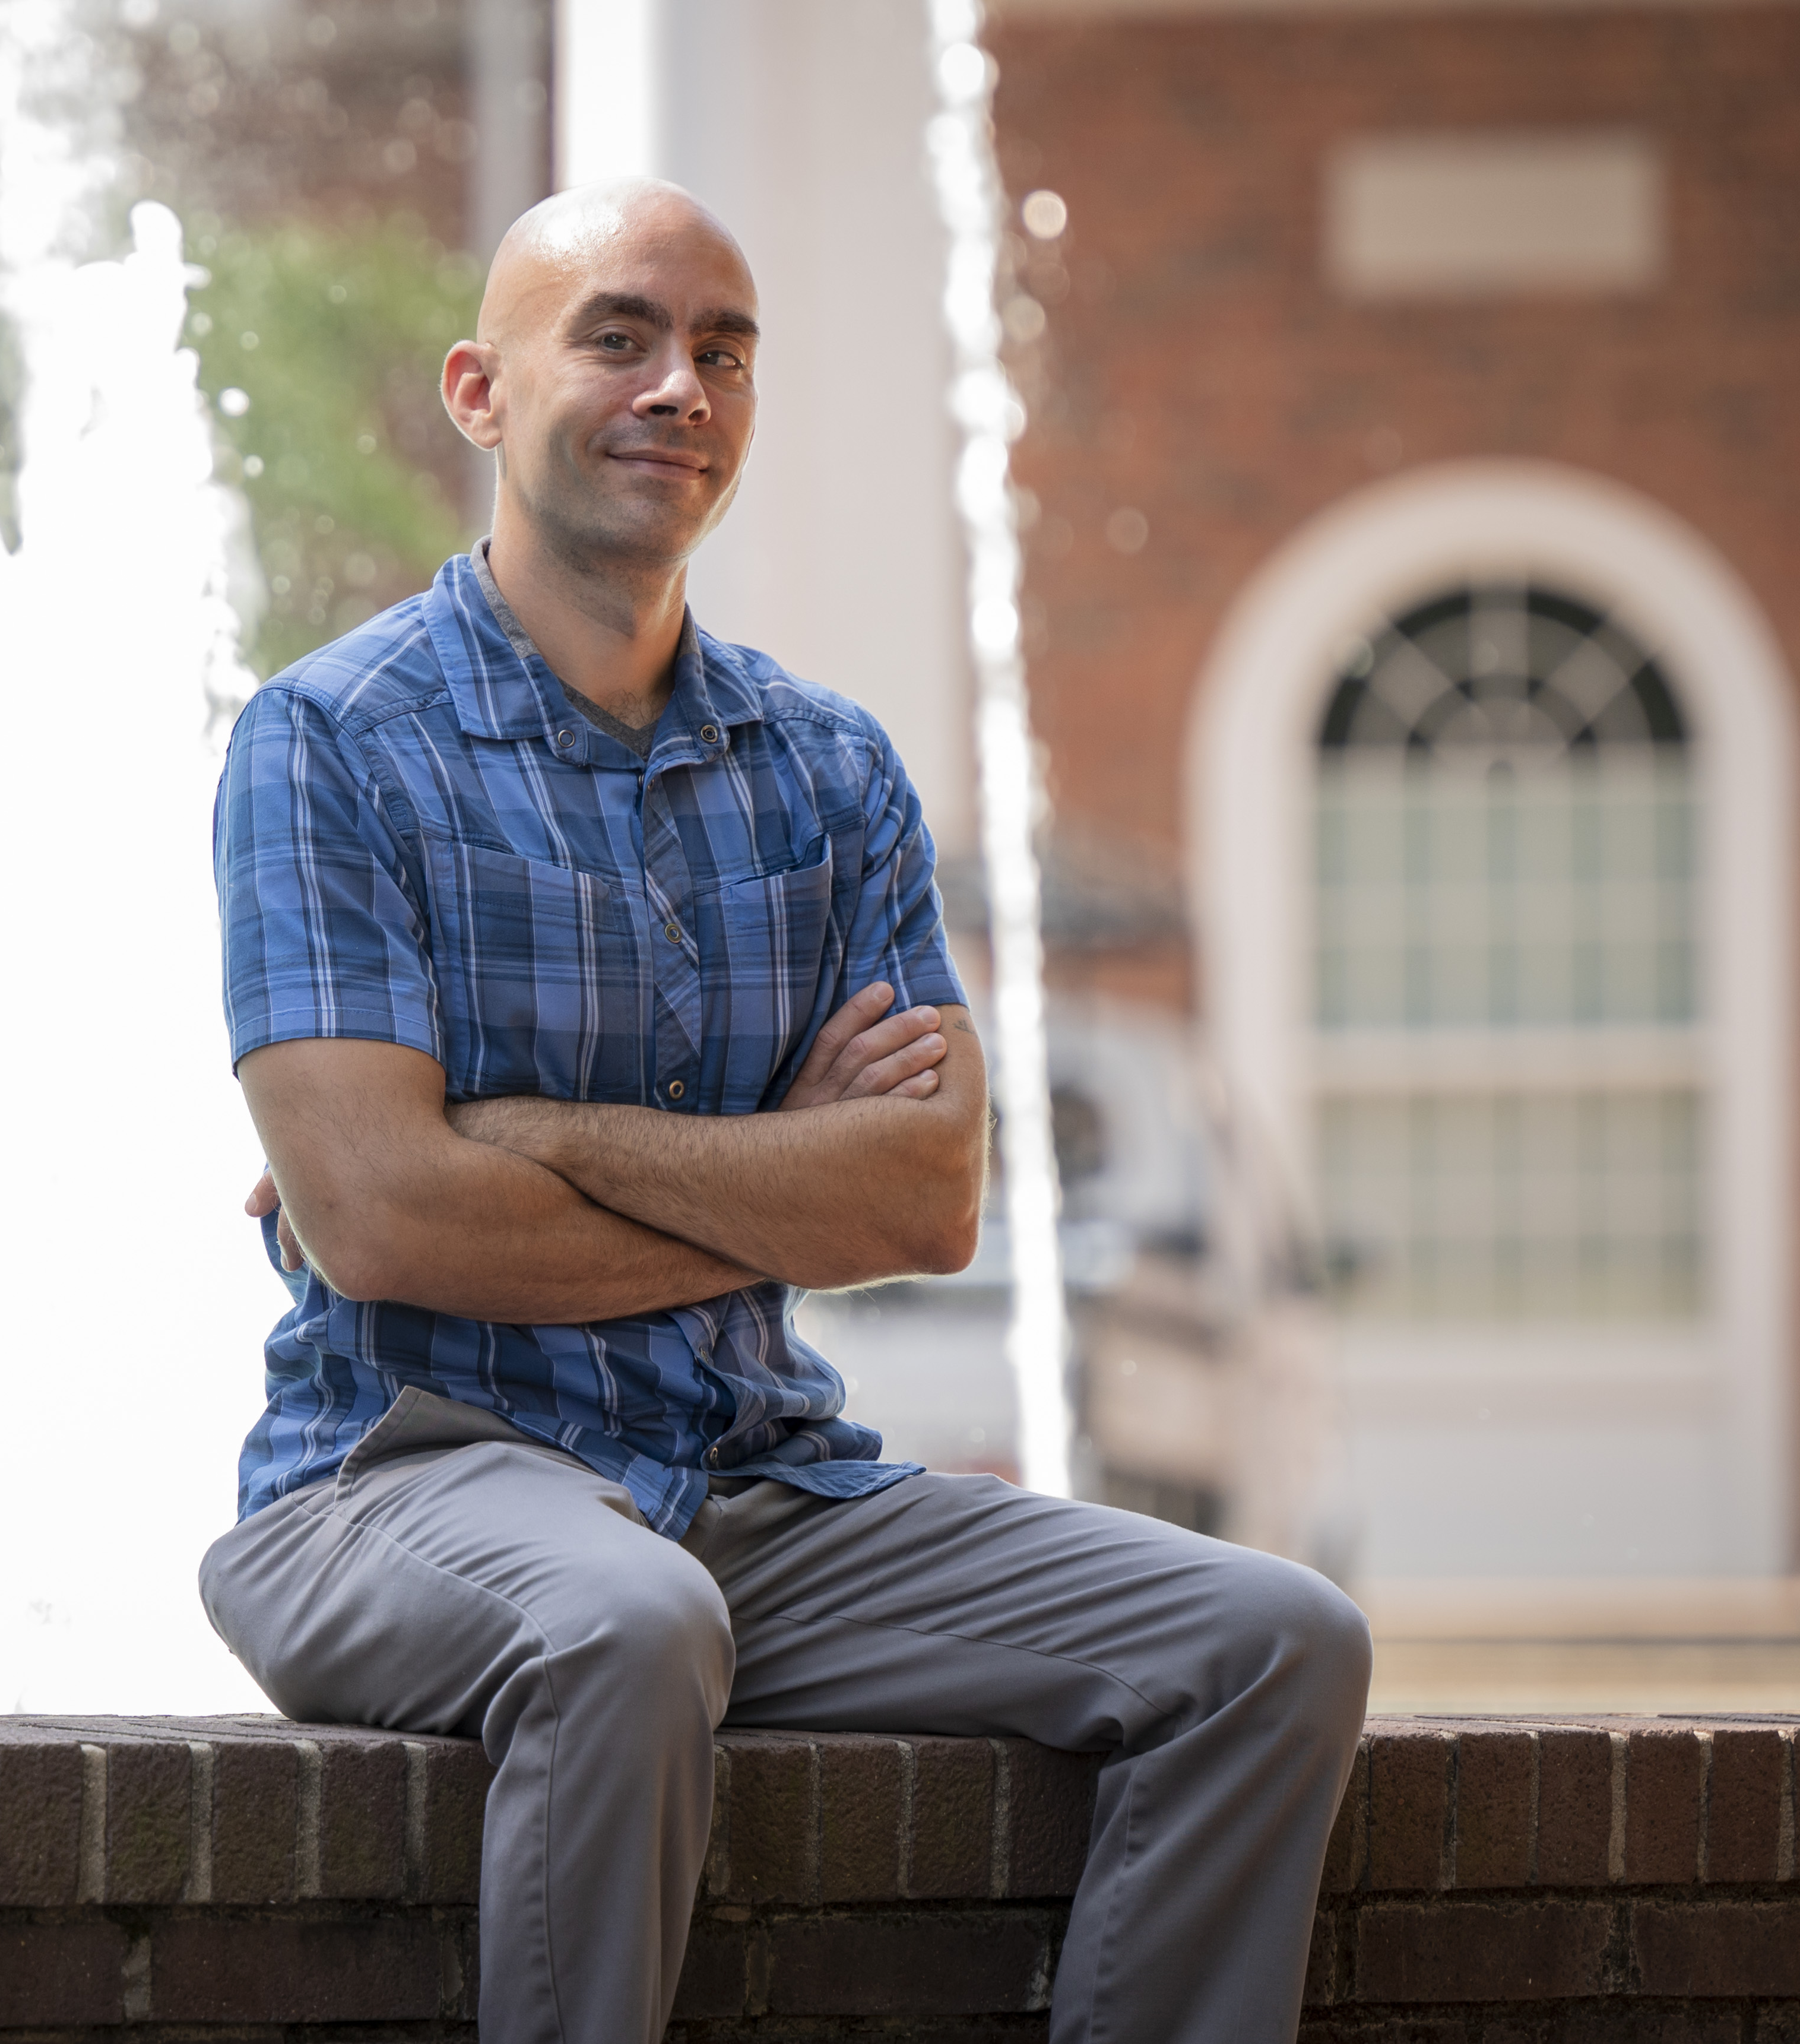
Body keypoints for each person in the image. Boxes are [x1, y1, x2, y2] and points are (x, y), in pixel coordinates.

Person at [200, 178, 1370, 2044]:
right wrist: (769, 1176)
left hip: (765, 1494)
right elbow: (384, 1225)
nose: (682, 384)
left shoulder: (825, 770)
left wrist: (536, 1130)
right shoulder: (329, 743)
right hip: (403, 1479)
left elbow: (919, 1203)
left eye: (721, 350)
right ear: (479, 392)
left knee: (1269, 1642)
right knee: (621, 1624)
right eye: (619, 336)